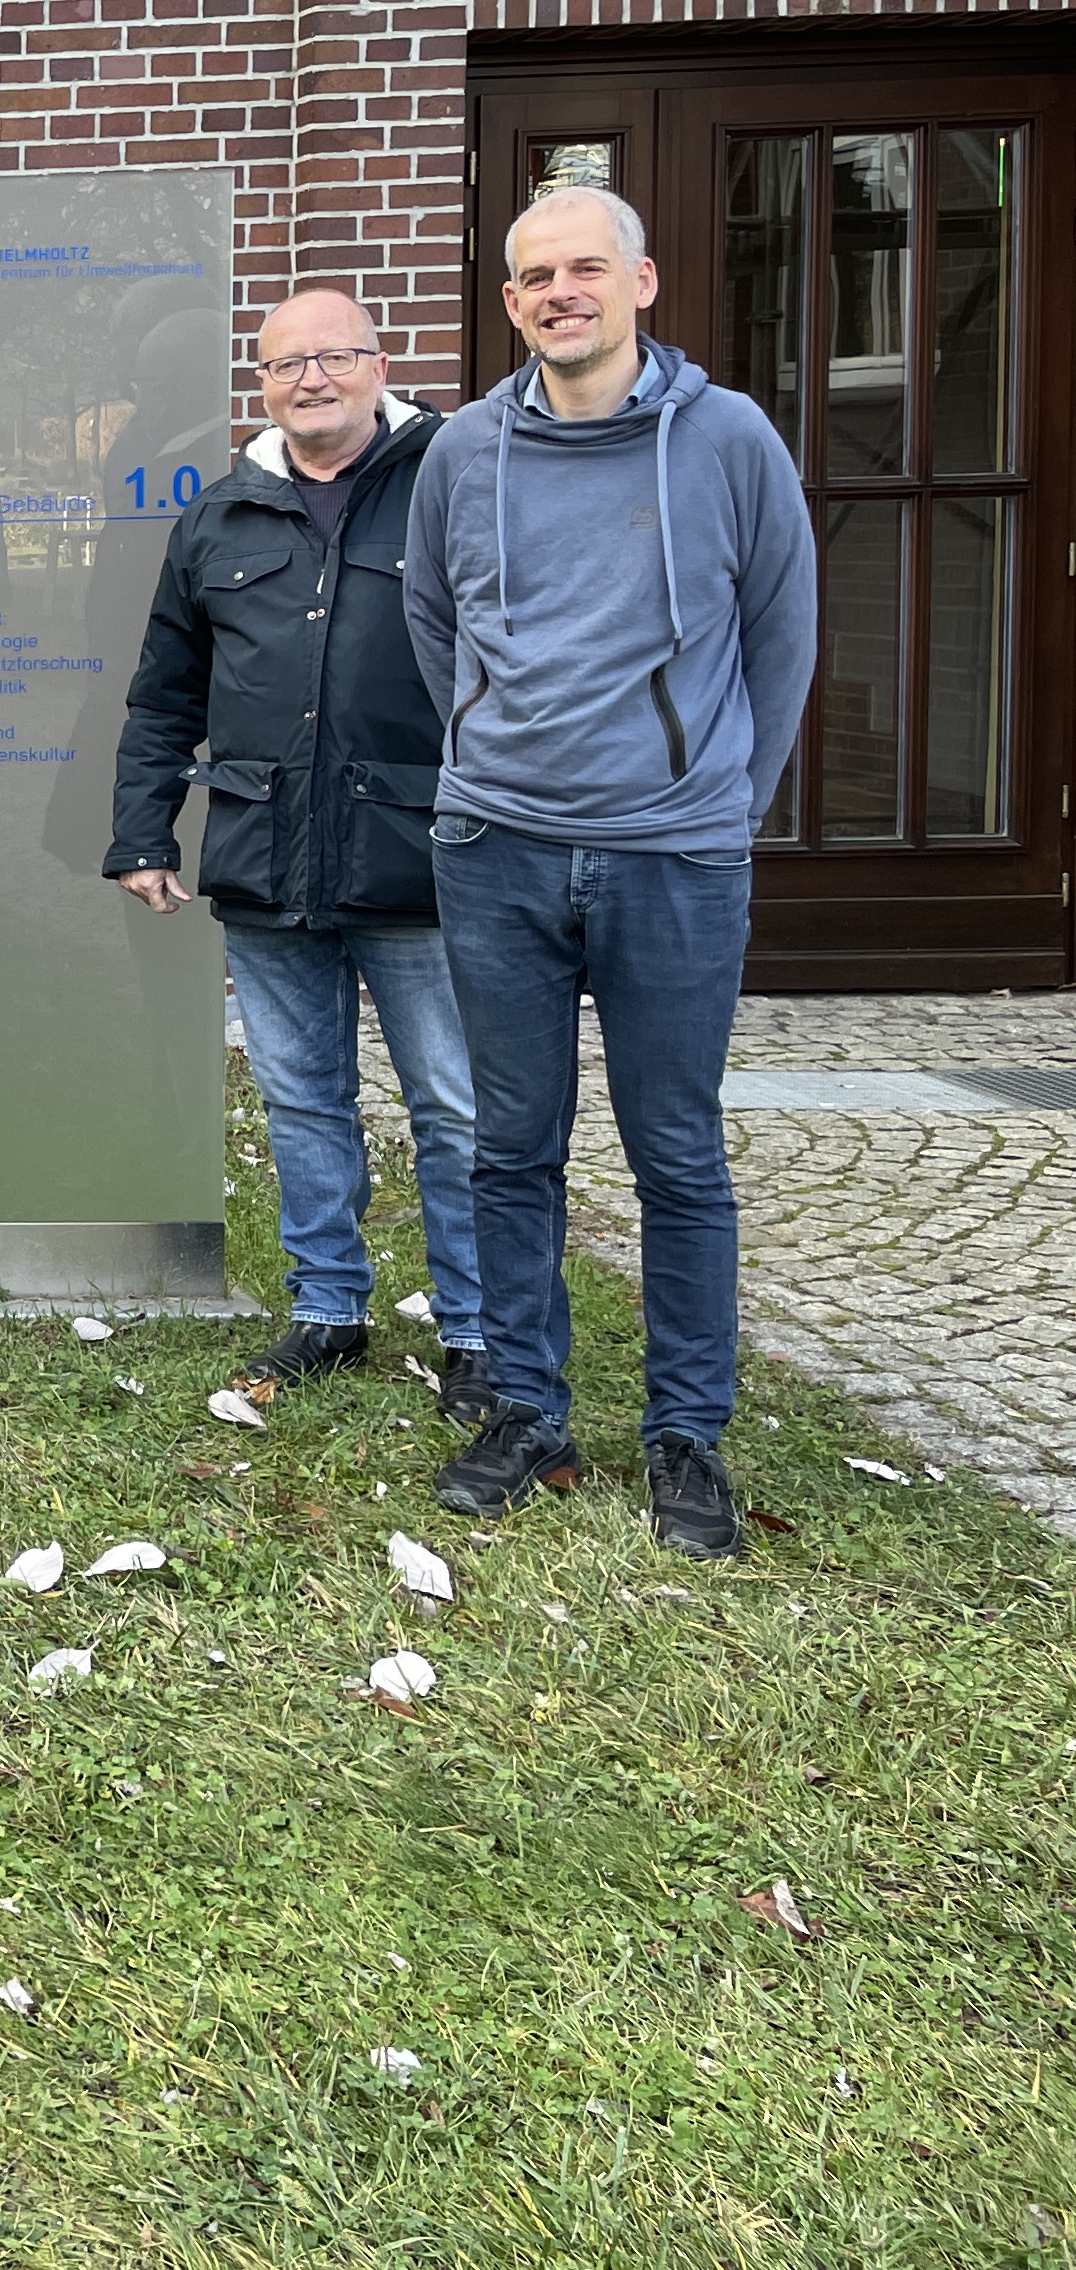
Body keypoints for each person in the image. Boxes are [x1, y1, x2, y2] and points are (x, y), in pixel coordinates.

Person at [408, 184, 812, 1557]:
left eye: (587, 268)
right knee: (509, 1147)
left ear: (645, 281)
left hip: (675, 859)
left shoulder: (729, 441)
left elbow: (781, 632)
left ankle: (686, 1436)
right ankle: (525, 1408)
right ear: (510, 300)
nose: (559, 293)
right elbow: (431, 620)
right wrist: (490, 754)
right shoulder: (462, 453)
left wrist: (716, 805)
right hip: (497, 849)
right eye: (533, 276)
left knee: (677, 1155)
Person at [108, 285, 489, 1422]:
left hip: (422, 856)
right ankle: (329, 1307)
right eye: (286, 365)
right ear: (261, 382)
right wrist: (141, 830)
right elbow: (163, 691)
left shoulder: (454, 483)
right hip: (266, 854)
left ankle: (475, 1329)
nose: (311, 379)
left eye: (335, 358)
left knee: (456, 1106)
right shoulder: (220, 514)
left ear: (380, 366)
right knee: (302, 1100)